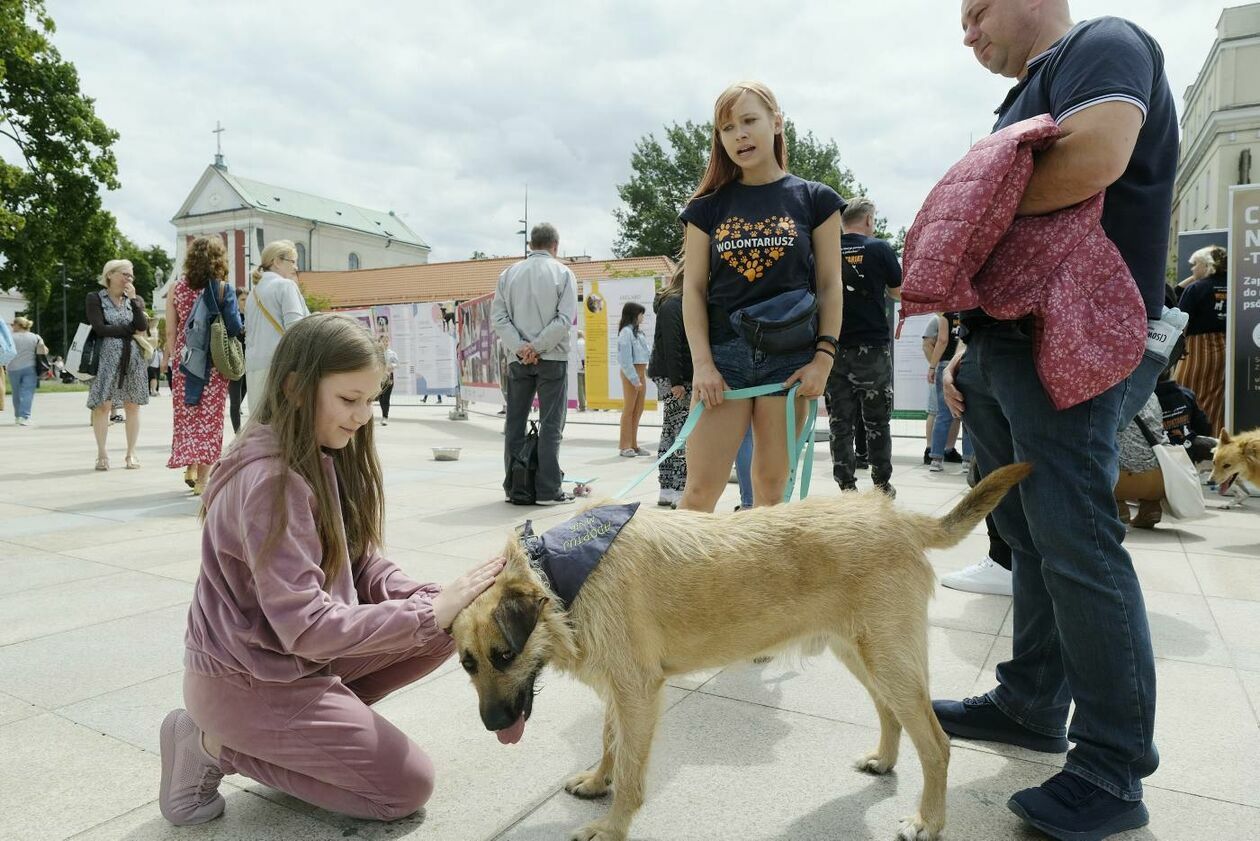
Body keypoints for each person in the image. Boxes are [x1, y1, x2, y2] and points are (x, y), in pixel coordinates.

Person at [936, 4, 1177, 838]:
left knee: (1077, 537)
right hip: (1012, 334)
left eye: (977, 10)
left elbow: (1098, 157)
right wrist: (971, 341)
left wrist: (960, 209)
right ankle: (1032, 699)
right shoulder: (1028, 90)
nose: (966, 32)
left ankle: (1112, 766)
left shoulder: (1100, 45)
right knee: (1030, 534)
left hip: (1077, 331)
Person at [157, 313, 504, 827]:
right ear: (297, 388)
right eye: (349, 399)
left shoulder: (316, 451)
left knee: (447, 625)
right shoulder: (271, 483)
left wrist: (434, 599)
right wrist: (425, 611)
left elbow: (360, 561)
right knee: (405, 790)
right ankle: (211, 743)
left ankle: (300, 736)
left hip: (292, 666)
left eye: (369, 400)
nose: (363, 415)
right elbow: (307, 627)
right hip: (248, 682)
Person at [677, 81, 845, 512]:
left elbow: (829, 285)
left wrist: (823, 359)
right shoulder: (707, 207)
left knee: (771, 494)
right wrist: (702, 365)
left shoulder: (816, 199)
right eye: (727, 128)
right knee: (699, 494)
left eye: (749, 121)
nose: (740, 136)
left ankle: (761, 583)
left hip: (789, 360)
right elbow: (692, 290)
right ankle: (685, 583)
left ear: (776, 122)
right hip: (723, 361)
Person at [490, 222, 579, 505]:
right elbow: (564, 320)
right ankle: (547, 489)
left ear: (531, 245)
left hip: (518, 359)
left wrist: (522, 348)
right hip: (552, 357)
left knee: (514, 422)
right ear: (556, 245)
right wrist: (538, 346)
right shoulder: (564, 273)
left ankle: (514, 486)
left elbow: (499, 318)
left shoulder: (508, 274)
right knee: (551, 423)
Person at [824, 197, 901, 496]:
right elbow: (896, 291)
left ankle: (846, 486)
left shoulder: (827, 250)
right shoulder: (879, 248)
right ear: (869, 220)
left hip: (834, 348)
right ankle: (881, 485)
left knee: (840, 422)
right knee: (877, 420)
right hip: (872, 349)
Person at [166, 236, 243, 495]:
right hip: (212, 363)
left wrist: (174, 358)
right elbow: (233, 327)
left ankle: (190, 466)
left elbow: (170, 332)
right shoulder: (222, 289)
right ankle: (202, 481)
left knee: (187, 415)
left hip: (185, 361)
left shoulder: (177, 288)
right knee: (210, 419)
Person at [86, 259, 149, 471]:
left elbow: (141, 326)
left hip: (133, 358)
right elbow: (100, 328)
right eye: (124, 274)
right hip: (106, 358)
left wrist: (134, 302)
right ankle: (101, 453)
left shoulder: (134, 299)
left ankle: (131, 453)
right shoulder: (95, 298)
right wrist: (128, 329)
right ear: (110, 275)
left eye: (131, 275)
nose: (128, 279)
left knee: (133, 405)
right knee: (103, 405)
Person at [245, 240, 309, 411]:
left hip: (254, 368)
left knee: (259, 427)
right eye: (292, 261)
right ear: (277, 261)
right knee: (283, 426)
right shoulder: (285, 286)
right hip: (282, 367)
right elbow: (296, 330)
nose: (296, 267)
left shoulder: (252, 293)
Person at [647, 267, 691, 505]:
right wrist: (677, 382)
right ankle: (676, 489)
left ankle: (669, 488)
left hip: (671, 376)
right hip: (675, 379)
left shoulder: (668, 304)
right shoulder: (674, 305)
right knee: (680, 433)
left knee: (672, 431)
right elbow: (673, 346)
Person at [1175, 245, 1227, 435]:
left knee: (1184, 392)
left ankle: (1188, 435)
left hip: (1198, 352)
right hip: (1226, 351)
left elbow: (1181, 323)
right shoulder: (1236, 285)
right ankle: (1215, 438)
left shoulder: (1197, 289)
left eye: (1195, 264)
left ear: (1207, 265)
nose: (1192, 269)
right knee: (1217, 401)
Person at [1114, 394, 1170, 529]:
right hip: (1159, 478)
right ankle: (1150, 508)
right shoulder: (1151, 394)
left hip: (1121, 478)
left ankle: (1117, 507)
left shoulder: (1112, 390)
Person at [927, 311, 972, 472]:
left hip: (945, 364)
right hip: (966, 362)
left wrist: (932, 366)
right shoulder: (970, 311)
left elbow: (942, 340)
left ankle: (936, 459)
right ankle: (968, 461)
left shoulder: (946, 315)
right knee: (968, 413)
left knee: (942, 414)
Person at [616, 302, 652, 457]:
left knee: (638, 409)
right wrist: (634, 379)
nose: (642, 317)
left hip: (641, 372)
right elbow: (625, 360)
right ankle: (625, 446)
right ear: (634, 314)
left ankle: (634, 445)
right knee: (629, 409)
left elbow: (646, 354)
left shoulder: (639, 333)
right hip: (632, 373)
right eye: (640, 313)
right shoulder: (626, 332)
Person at [7, 316, 48, 426]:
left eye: (13, 324)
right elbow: (44, 351)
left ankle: (17, 416)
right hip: (29, 367)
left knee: (16, 393)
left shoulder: (10, 337)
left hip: (12, 368)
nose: (11, 327)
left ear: (18, 325)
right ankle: (24, 417)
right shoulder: (35, 337)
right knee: (27, 392)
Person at [228, 287, 248, 433]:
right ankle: (238, 432)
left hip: (249, 362)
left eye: (247, 300)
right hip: (235, 361)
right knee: (235, 399)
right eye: (242, 300)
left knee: (244, 391)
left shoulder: (252, 316)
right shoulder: (232, 316)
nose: (245, 303)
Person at [378, 334, 398, 425]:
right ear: (379, 342)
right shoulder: (377, 354)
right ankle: (384, 415)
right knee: (381, 398)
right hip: (378, 378)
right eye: (383, 341)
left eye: (387, 341)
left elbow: (397, 364)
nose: (385, 343)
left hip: (389, 378)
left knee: (386, 398)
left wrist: (391, 366)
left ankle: (385, 417)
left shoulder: (392, 353)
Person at [576, 329, 587, 411]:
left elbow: (576, 356)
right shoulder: (586, 342)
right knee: (588, 386)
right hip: (588, 367)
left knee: (580, 387)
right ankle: (592, 404)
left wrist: (580, 365)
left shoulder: (575, 343)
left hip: (579, 367)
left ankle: (582, 406)